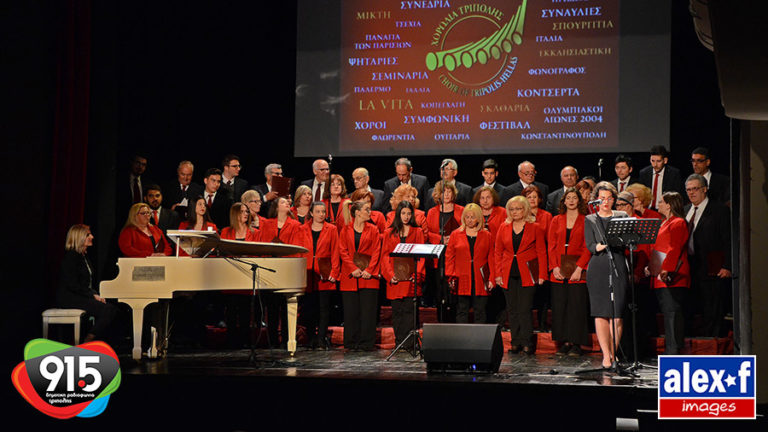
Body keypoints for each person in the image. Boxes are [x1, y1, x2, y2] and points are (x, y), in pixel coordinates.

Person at [494, 196, 548, 354]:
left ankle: (527, 342)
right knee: (512, 309)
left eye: (518, 209)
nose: (515, 212)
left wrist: (542, 274)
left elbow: (541, 252)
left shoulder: (535, 227)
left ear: (525, 210)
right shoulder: (503, 227)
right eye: (511, 209)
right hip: (508, 271)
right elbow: (498, 252)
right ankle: (515, 341)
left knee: (525, 308)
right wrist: (498, 274)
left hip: (528, 272)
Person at [584, 182, 629, 368]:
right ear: (596, 200)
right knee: (601, 313)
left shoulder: (622, 216)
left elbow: (627, 241)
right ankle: (606, 355)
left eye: (609, 198)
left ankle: (613, 352)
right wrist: (603, 245)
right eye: (602, 199)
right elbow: (590, 245)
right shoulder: (591, 219)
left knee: (617, 315)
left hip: (617, 263)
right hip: (599, 266)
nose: (606, 202)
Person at [684, 173, 732, 337]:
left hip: (712, 266)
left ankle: (712, 343)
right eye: (688, 190)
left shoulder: (719, 210)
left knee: (712, 306)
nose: (691, 193)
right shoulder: (685, 210)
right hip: (690, 267)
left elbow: (728, 240)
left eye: (695, 189)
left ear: (705, 189)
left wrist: (727, 265)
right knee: (693, 307)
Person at [547, 188, 591, 356]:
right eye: (568, 198)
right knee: (560, 306)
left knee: (577, 306)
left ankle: (576, 343)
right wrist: (554, 267)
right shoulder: (556, 220)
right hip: (558, 268)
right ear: (564, 201)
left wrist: (580, 268)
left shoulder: (586, 220)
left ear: (579, 201)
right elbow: (551, 245)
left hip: (577, 269)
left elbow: (588, 247)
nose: (571, 200)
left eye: (574, 198)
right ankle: (564, 341)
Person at [57, 224, 117, 343]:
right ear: (79, 237)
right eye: (88, 235)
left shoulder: (84, 257)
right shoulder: (72, 257)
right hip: (70, 297)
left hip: (81, 295)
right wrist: (92, 295)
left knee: (112, 309)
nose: (92, 237)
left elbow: (88, 283)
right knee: (108, 310)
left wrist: (96, 295)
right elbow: (72, 284)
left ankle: (92, 339)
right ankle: (88, 340)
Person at [649, 192, 690, 354]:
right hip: (661, 274)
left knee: (672, 312)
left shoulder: (678, 222)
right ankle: (671, 348)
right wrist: (651, 267)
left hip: (672, 275)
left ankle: (674, 350)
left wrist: (667, 269)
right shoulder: (664, 223)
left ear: (669, 204)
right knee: (667, 312)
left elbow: (675, 248)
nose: (658, 204)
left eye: (661, 201)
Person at [380, 201, 425, 347]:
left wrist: (416, 274)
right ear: (398, 214)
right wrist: (389, 275)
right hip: (395, 279)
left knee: (409, 311)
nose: (406, 216)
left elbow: (421, 256)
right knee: (397, 312)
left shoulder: (417, 232)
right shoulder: (389, 232)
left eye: (409, 213)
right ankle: (399, 342)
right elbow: (385, 256)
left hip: (411, 279)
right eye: (403, 213)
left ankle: (410, 343)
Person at [296, 201, 340, 350]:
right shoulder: (302, 229)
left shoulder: (332, 229)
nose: (321, 214)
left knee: (324, 307)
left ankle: (321, 338)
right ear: (312, 213)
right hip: (308, 274)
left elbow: (335, 251)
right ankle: (311, 338)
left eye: (323, 212)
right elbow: (299, 252)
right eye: (318, 212)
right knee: (309, 307)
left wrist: (334, 272)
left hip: (324, 274)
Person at [338, 200, 381, 351]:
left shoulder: (373, 229)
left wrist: (369, 270)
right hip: (350, 276)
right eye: (367, 210)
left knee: (368, 311)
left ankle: (366, 343)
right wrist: (352, 268)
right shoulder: (345, 229)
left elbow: (377, 251)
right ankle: (351, 342)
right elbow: (342, 251)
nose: (370, 212)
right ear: (357, 212)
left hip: (369, 276)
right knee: (351, 312)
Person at [446, 204, 495, 324]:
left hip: (480, 279)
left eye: (472, 217)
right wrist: (451, 276)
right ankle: (462, 340)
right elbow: (449, 258)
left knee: (480, 311)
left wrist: (492, 279)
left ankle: (479, 341)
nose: (469, 220)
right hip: (461, 277)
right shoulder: (455, 234)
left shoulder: (487, 235)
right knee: (462, 310)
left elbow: (492, 259)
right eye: (467, 217)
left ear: (478, 218)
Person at [638, 145, 685, 210]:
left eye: (658, 161)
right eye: (652, 161)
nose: (655, 165)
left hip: (666, 210)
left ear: (665, 160)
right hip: (648, 210)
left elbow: (677, 196)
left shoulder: (674, 174)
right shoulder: (644, 173)